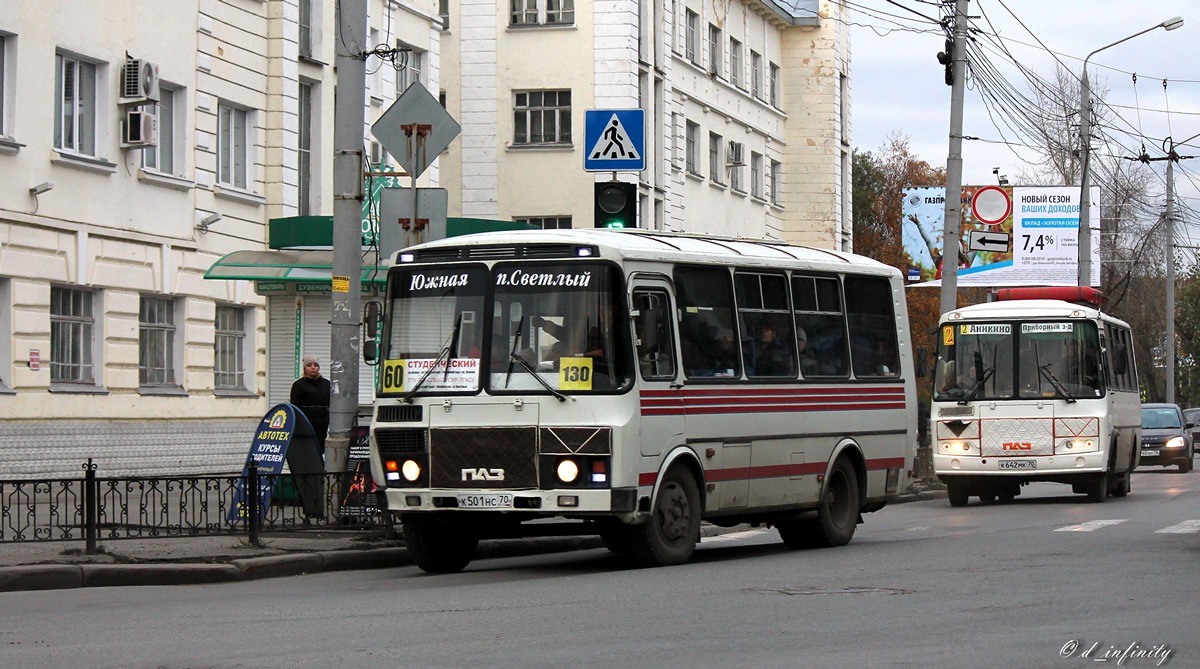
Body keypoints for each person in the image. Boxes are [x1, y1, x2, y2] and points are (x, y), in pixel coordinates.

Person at [290, 354, 331, 456]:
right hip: (307, 422)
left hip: (323, 422)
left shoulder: (326, 383)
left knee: (321, 446)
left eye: (315, 365)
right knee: (308, 446)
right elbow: (295, 405)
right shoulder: (299, 385)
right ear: (304, 368)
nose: (313, 367)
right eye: (309, 365)